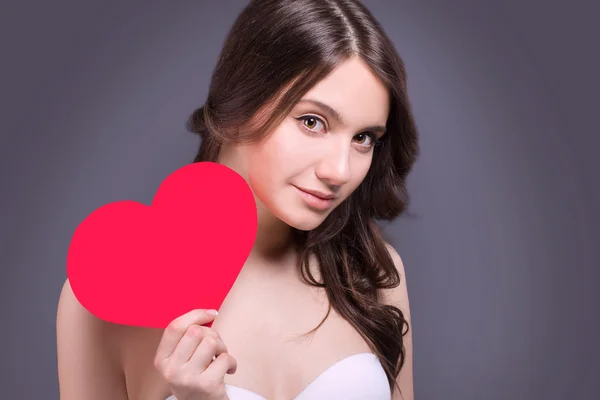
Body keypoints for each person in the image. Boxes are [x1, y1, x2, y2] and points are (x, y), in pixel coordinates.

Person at [56, 0, 420, 399]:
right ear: (241, 104)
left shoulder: (374, 274)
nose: (340, 171)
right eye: (312, 121)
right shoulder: (107, 290)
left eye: (363, 138)